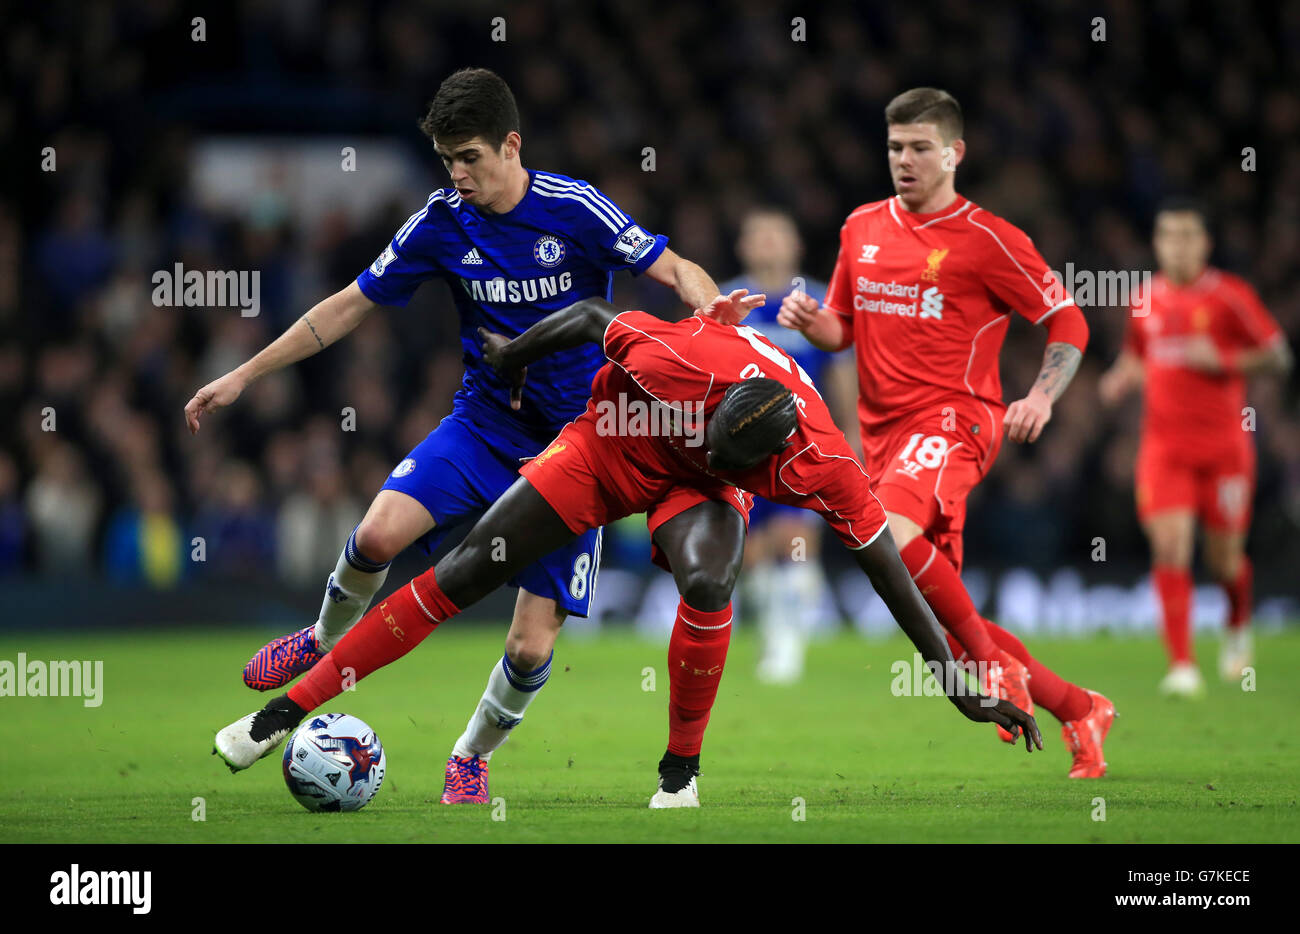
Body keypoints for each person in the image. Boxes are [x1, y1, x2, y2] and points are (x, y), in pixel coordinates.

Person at [214, 296, 1043, 806]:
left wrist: (954, 682)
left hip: (692, 492)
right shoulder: (682, 358)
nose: (723, 457)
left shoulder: (823, 463)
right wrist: (511, 354)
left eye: (736, 460)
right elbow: (584, 318)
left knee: (712, 580)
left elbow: (887, 570)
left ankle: (678, 776)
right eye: (717, 445)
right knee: (464, 571)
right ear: (709, 409)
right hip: (611, 445)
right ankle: (281, 714)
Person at [184, 67, 757, 805]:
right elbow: (348, 306)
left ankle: (470, 753)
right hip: (484, 426)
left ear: (510, 146)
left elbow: (672, 266)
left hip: (580, 448)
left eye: (469, 158)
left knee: (529, 646)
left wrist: (711, 309)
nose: (457, 175)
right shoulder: (440, 222)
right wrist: (245, 375)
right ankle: (322, 637)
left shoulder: (573, 209)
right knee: (377, 535)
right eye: (446, 160)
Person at [778, 87, 1113, 777]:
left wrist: (1043, 395)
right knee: (938, 616)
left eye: (920, 148)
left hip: (957, 420)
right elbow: (844, 324)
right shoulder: (861, 226)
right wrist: (817, 326)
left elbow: (1068, 319)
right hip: (883, 440)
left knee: (896, 549)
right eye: (896, 146)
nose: (904, 159)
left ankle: (993, 671)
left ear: (954, 154)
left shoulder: (988, 239)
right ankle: (1080, 707)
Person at [1099, 198, 1291, 696]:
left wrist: (1224, 358)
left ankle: (1236, 623)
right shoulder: (1143, 300)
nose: (1177, 246)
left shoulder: (1229, 296)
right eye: (1168, 236)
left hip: (1224, 451)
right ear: (1157, 242)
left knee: (1225, 560)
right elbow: (1138, 356)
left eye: (1187, 236)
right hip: (1164, 449)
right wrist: (1121, 377)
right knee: (1169, 547)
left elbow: (1278, 357)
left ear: (1204, 243)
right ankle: (1182, 666)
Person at [721, 208, 858, 684]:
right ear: (743, 246)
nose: (767, 244)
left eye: (776, 234)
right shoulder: (726, 300)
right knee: (750, 552)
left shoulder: (815, 302)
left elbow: (840, 369)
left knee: (796, 544)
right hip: (739, 449)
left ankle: (788, 644)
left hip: (803, 445)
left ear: (795, 245)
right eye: (757, 234)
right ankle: (775, 634)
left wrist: (851, 433)